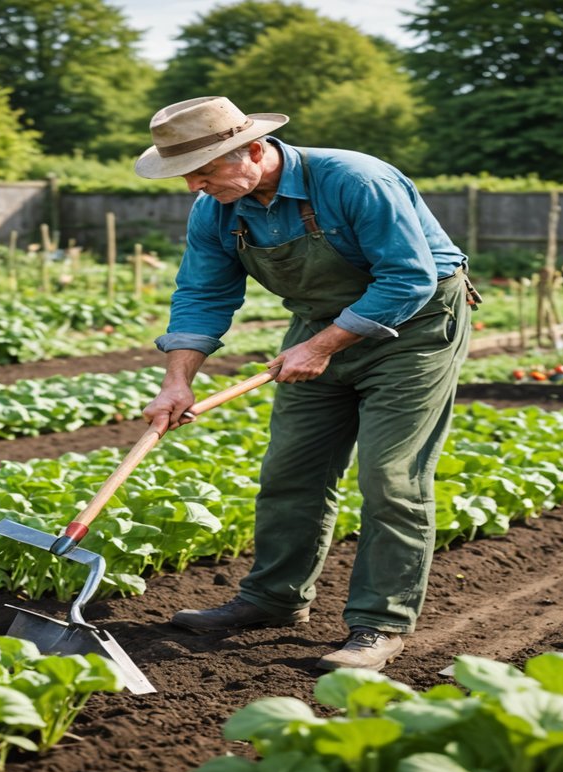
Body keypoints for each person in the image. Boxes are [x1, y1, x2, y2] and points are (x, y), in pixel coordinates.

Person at [136, 96, 475, 672]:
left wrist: (321, 346)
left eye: (205, 169)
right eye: (184, 174)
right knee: (291, 468)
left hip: (414, 327)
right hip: (319, 324)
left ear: (253, 149)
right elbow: (203, 294)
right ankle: (273, 599)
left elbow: (407, 276)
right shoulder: (216, 209)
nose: (194, 184)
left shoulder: (354, 180)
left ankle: (379, 624)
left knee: (392, 476)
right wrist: (177, 382)